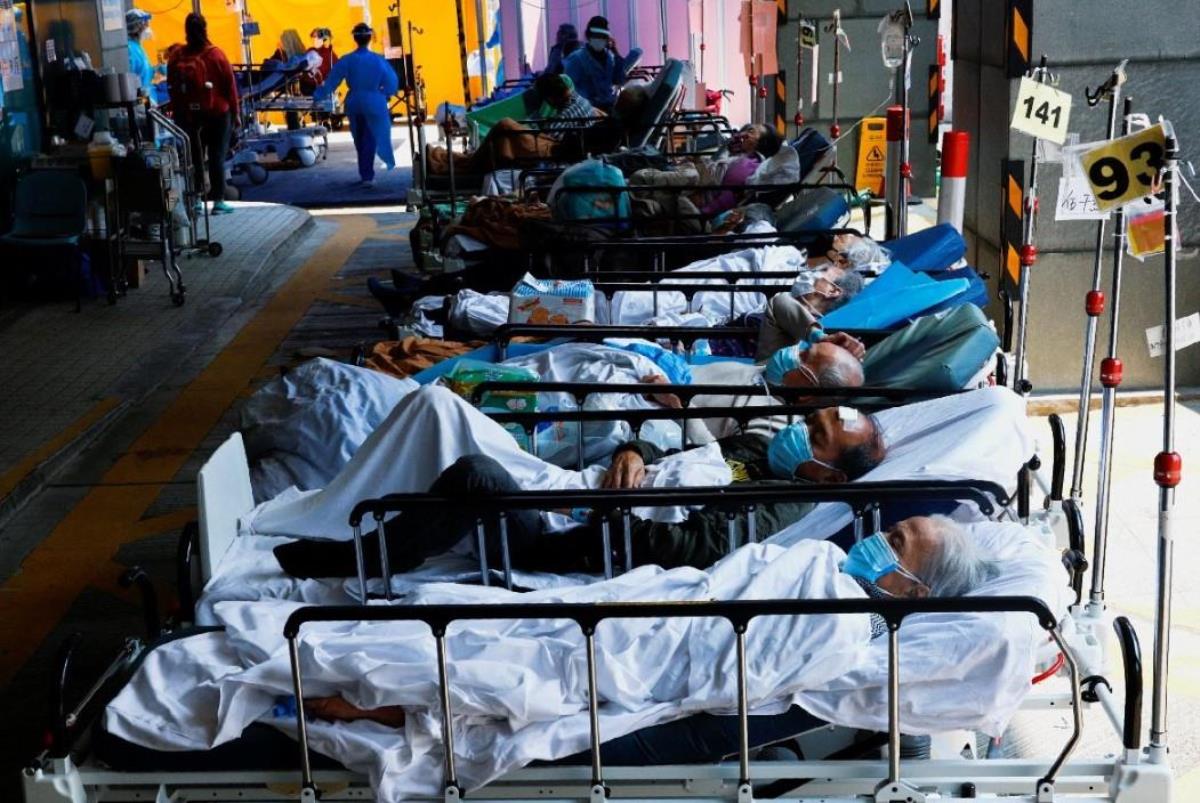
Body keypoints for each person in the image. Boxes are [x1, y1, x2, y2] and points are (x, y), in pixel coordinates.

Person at [294, 514, 995, 757]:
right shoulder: (820, 562)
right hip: (659, 601)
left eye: (896, 544)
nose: (878, 538)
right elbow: (731, 576)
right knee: (495, 618)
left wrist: (676, 630)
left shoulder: (842, 633)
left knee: (512, 663)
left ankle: (381, 699)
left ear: (914, 590)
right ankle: (365, 662)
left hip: (651, 650)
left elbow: (734, 678)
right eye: (891, 529)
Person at [272, 389, 887, 577]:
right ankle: (341, 507)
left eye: (815, 435)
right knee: (437, 407)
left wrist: (604, 513)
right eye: (810, 419)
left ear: (829, 473)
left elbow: (694, 548)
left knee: (478, 476)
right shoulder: (756, 450)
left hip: (574, 535)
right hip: (579, 486)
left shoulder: (780, 503)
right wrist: (633, 452)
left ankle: (357, 559)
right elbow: (676, 454)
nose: (798, 430)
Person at [167, 13, 239, 214]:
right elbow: (230, 88)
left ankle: (196, 201)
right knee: (216, 156)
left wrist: (180, 111)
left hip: (188, 116)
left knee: (194, 158)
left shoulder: (177, 56)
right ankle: (218, 202)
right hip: (217, 113)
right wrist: (235, 114)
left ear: (186, 30)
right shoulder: (216, 55)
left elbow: (171, 85)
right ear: (205, 29)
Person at [313, 23, 398, 187]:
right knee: (370, 138)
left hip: (355, 103)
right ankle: (368, 176)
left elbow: (331, 82)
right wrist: (384, 94)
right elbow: (392, 83)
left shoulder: (347, 60)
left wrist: (317, 96)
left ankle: (366, 174)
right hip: (374, 102)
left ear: (355, 39)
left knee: (359, 139)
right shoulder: (379, 60)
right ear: (370, 38)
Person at [755, 264, 865, 360]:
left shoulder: (781, 301)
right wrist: (820, 337)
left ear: (832, 291)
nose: (809, 272)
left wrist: (822, 338)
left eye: (822, 271)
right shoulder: (779, 307)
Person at [562, 15, 641, 112]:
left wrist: (615, 51)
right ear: (588, 37)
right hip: (588, 110)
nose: (599, 39)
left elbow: (619, 79)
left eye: (603, 37)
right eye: (596, 36)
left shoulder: (610, 58)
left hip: (609, 106)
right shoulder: (577, 59)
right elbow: (568, 88)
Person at [125, 9, 159, 100]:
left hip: (148, 98)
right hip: (141, 102)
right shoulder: (130, 49)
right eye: (145, 24)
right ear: (135, 28)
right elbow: (131, 81)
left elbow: (143, 73)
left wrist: (156, 69)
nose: (148, 26)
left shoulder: (137, 46)